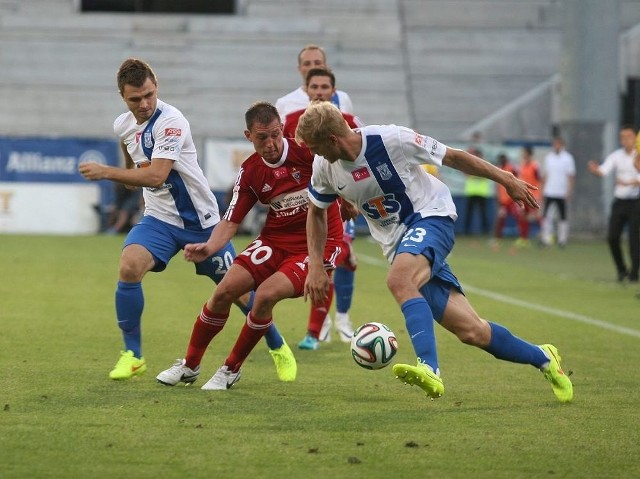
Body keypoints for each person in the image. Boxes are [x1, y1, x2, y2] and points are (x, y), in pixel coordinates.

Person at [296, 101, 573, 403]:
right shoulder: (324, 167)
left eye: (316, 147)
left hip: (432, 217)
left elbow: (453, 157)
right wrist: (316, 265)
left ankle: (430, 369)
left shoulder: (392, 140)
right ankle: (545, 358)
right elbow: (316, 212)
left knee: (399, 281)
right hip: (398, 244)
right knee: (472, 331)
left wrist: (505, 179)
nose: (314, 153)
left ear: (333, 140)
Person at [78, 58, 294, 381]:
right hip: (159, 220)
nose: (144, 103)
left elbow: (156, 175)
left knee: (237, 292)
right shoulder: (122, 126)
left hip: (202, 222)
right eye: (135, 99)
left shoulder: (172, 121)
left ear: (156, 86)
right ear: (123, 97)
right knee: (129, 266)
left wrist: (106, 172)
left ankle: (278, 346)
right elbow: (133, 170)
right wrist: (124, 174)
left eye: (149, 94)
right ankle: (133, 355)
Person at [156, 101, 345, 390]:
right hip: (275, 239)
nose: (270, 143)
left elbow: (342, 170)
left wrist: (351, 202)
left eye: (275, 135)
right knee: (224, 291)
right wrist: (208, 247)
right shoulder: (251, 172)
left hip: (318, 244)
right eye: (261, 137)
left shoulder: (308, 153)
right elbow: (231, 221)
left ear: (282, 130)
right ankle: (190, 366)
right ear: (248, 136)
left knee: (265, 295)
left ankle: (230, 369)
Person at [282, 67, 362, 349]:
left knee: (330, 261)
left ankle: (317, 331)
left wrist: (350, 199)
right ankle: (329, 322)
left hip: (337, 202)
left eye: (324, 87)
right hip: (302, 202)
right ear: (306, 90)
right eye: (313, 87)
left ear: (333, 91)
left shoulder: (348, 121)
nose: (319, 92)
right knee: (337, 260)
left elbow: (355, 162)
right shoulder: (291, 121)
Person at [587, 125, 640, 283]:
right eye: (622, 137)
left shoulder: (638, 156)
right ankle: (621, 269)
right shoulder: (617, 156)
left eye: (629, 136)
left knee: (633, 238)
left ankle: (634, 273)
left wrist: (631, 181)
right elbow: (604, 170)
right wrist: (595, 170)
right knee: (612, 237)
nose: (625, 140)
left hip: (636, 201)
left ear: (635, 138)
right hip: (620, 201)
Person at [275, 44, 353, 125]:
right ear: (299, 68)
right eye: (307, 63)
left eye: (317, 63)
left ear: (325, 65)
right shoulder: (284, 103)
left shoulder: (342, 98)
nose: (313, 67)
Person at [541, 136, 576, 247]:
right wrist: (542, 189)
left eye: (558, 144)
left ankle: (562, 240)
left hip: (561, 192)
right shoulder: (549, 157)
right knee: (547, 216)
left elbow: (571, 176)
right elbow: (545, 175)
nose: (556, 146)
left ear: (562, 145)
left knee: (562, 217)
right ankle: (545, 239)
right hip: (549, 191)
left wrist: (569, 191)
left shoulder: (568, 158)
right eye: (555, 144)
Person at [492, 153, 527, 247]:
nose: (501, 161)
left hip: (511, 199)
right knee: (500, 219)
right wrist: (498, 197)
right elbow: (497, 185)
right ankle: (498, 238)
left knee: (519, 217)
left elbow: (519, 178)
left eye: (503, 160)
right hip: (503, 200)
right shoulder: (498, 169)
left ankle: (523, 238)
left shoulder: (511, 168)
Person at [462, 148, 492, 236]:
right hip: (471, 191)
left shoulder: (485, 164)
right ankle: (466, 231)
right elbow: (466, 174)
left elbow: (487, 175)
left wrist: (474, 174)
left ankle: (485, 231)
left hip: (482, 192)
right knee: (469, 213)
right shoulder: (470, 164)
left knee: (483, 213)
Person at [518, 145, 542, 243]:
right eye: (523, 153)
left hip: (534, 195)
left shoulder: (535, 165)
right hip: (524, 194)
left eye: (525, 153)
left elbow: (539, 180)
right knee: (522, 216)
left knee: (535, 216)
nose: (524, 155)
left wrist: (539, 195)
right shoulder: (522, 165)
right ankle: (524, 239)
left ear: (529, 154)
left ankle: (546, 235)